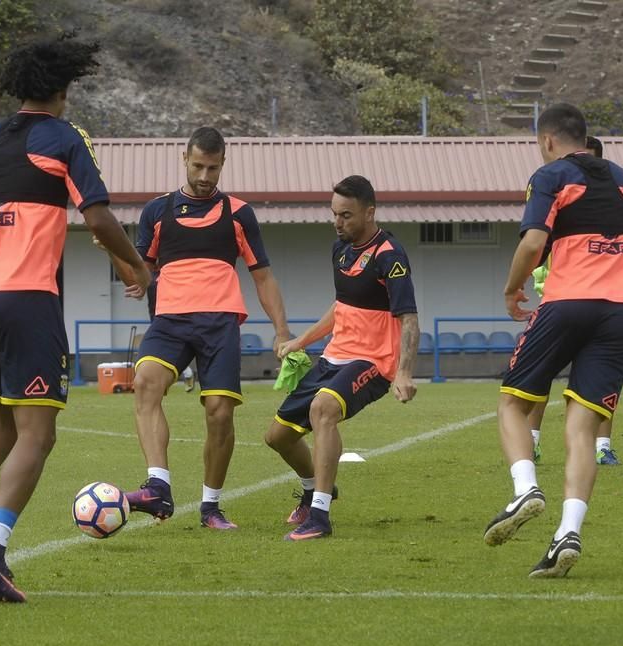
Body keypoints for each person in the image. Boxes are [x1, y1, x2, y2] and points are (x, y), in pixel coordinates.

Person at [0, 36, 151, 603]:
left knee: (2, 424)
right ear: (63, 88)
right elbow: (98, 218)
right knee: (38, 433)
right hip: (25, 299)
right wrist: (137, 265)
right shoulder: (65, 137)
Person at [484, 104, 623, 577]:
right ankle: (567, 535)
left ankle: (525, 488)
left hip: (569, 302)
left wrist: (513, 288)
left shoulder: (550, 175)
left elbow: (533, 243)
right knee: (583, 428)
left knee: (512, 401)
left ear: (548, 140)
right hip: (622, 312)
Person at [112, 127, 291, 530]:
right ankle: (158, 486)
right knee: (145, 382)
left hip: (219, 321)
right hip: (170, 321)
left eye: (213, 167)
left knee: (219, 413)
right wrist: (114, 250)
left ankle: (210, 507)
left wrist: (282, 330)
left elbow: (263, 277)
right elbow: (140, 273)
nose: (205, 175)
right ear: (184, 159)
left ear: (223, 164)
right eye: (198, 166)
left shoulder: (239, 214)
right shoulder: (156, 211)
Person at [264, 175, 420, 540]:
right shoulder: (340, 250)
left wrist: (404, 372)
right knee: (278, 437)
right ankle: (315, 489)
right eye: (334, 214)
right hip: (333, 357)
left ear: (370, 212)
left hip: (374, 362)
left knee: (323, 409)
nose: (337, 223)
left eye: (346, 215)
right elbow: (341, 307)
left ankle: (319, 516)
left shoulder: (390, 256)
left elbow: (409, 319)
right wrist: (301, 341)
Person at [527, 136, 619, 466]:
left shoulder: (612, 205)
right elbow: (535, 245)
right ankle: (532, 442)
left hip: (604, 304)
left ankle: (602, 445)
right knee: (539, 376)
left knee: (599, 379)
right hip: (558, 302)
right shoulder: (558, 202)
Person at [146, 269, 195, 392]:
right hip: (162, 320)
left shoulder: (168, 275)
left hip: (171, 320)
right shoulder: (154, 277)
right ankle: (186, 373)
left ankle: (186, 373)